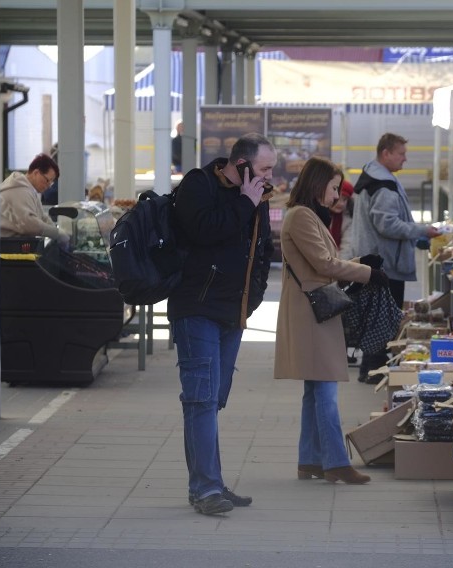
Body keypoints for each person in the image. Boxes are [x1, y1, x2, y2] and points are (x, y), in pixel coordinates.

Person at [167, 132, 276, 515]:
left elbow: (261, 251)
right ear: (241, 164)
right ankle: (206, 489)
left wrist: (254, 299)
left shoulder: (256, 197)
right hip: (196, 309)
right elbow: (206, 231)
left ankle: (210, 482)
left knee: (212, 401)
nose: (269, 176)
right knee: (199, 400)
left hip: (232, 314)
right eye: (263, 169)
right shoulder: (199, 185)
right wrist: (246, 202)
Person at [274, 156, 389, 485]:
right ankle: (335, 462)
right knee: (325, 390)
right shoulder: (302, 217)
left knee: (315, 390)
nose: (337, 195)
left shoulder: (305, 215)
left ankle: (309, 459)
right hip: (312, 312)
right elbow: (324, 264)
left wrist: (359, 263)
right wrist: (367, 273)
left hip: (313, 310)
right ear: (317, 184)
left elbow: (324, 263)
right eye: (334, 187)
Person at [350, 133, 439, 384]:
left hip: (374, 259)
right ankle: (373, 371)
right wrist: (422, 230)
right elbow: (386, 224)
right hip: (385, 262)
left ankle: (371, 369)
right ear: (385, 153)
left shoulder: (375, 178)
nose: (405, 159)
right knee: (384, 318)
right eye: (401, 153)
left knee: (376, 316)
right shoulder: (384, 185)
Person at [0, 153, 70, 247]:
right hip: (6, 246)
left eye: (51, 183)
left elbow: (42, 217)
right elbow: (29, 224)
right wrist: (57, 233)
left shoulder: (30, 189)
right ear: (36, 173)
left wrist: (55, 231)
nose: (48, 186)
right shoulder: (19, 190)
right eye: (47, 180)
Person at [329, 179, 355, 260]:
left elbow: (347, 246)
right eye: (338, 199)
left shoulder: (349, 218)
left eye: (345, 199)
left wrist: (339, 265)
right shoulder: (317, 215)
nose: (341, 203)